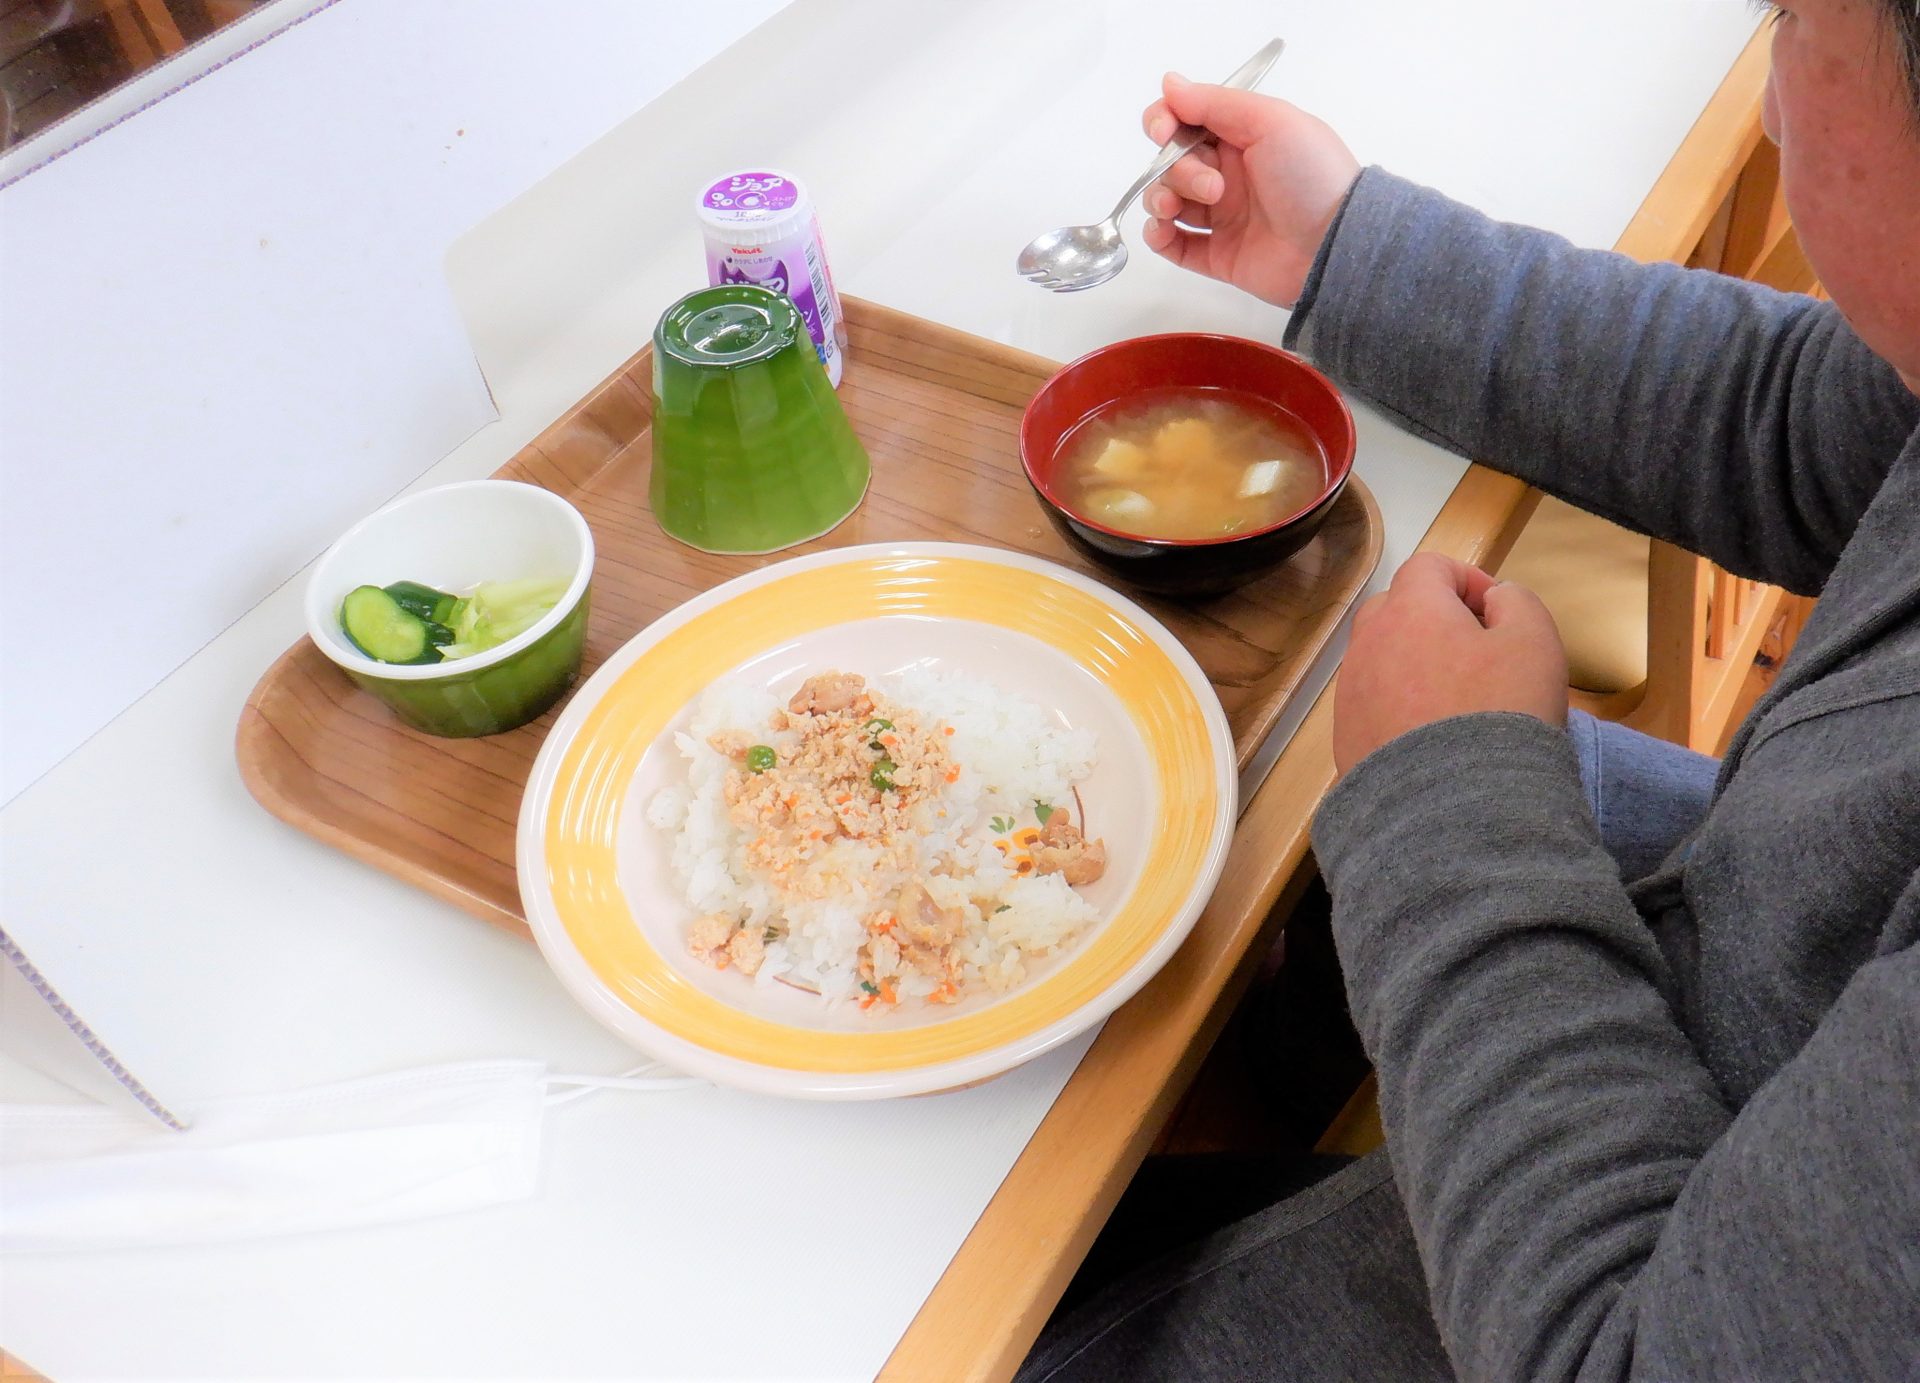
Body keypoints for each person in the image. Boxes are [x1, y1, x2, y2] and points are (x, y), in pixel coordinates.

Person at [1018, 1, 1920, 1378]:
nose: (1770, 104)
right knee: (1303, 849)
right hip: (1767, 942)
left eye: (1795, 19)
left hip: (1613, 1291)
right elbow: (1800, 425)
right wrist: (1349, 250)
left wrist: (1454, 799)